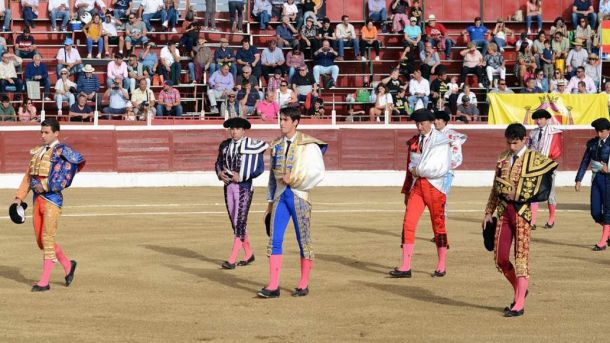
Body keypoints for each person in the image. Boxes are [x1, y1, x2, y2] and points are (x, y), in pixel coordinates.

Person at [483, 123, 558, 317]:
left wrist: (520, 194)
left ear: (524, 139)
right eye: (509, 143)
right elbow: (495, 187)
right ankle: (520, 290)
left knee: (521, 258)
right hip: (503, 212)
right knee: (500, 258)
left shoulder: (535, 159)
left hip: (522, 213)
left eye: (515, 143)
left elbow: (544, 185)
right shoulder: (502, 157)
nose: (512, 147)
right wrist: (488, 212)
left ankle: (519, 304)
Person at [258, 107, 327, 298]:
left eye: (286, 120)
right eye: (281, 119)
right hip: (280, 196)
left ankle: (303, 284)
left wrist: (294, 178)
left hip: (299, 196)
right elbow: (272, 177)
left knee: (303, 240)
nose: (282, 123)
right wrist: (269, 204)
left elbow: (318, 172)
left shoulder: (309, 144)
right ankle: (273, 286)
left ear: (296, 122)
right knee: (274, 240)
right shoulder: (277, 144)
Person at [14, 118, 85, 292]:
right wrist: (18, 198)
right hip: (36, 200)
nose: (43, 136)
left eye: (46, 132)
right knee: (41, 241)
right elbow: (28, 177)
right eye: (41, 132)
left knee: (47, 238)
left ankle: (44, 282)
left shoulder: (63, 151)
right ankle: (68, 265)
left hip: (52, 199)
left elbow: (66, 176)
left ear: (56, 133)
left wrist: (45, 186)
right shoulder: (38, 152)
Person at [390, 109, 451, 279]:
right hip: (417, 186)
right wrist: (406, 190)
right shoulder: (415, 141)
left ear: (431, 122)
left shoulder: (441, 141)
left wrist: (418, 170)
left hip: (435, 187)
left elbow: (438, 168)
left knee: (438, 225)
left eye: (422, 123)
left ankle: (441, 265)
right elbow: (409, 168)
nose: (419, 127)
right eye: (417, 124)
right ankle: (406, 266)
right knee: (408, 223)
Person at [215, 117, 268, 269]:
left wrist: (243, 176)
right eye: (232, 128)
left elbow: (258, 168)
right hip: (228, 186)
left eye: (237, 129)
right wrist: (220, 174)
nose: (234, 131)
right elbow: (218, 163)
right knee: (235, 222)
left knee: (240, 222)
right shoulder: (225, 145)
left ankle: (231, 259)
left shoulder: (251, 146)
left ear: (243, 130)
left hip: (244, 187)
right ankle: (248, 254)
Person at [576, 118, 610, 250]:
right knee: (595, 212)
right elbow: (585, 161)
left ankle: (603, 241)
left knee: (608, 211)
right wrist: (579, 179)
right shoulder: (593, 143)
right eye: (598, 131)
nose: (599, 134)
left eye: (602, 131)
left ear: (608, 130)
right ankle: (608, 232)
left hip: (608, 179)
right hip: (597, 179)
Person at [526, 109, 562, 230]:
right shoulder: (533, 133)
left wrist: (549, 165)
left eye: (541, 119)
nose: (538, 121)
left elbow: (556, 150)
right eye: (537, 119)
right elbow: (529, 148)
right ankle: (533, 221)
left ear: (546, 119)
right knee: (533, 193)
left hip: (548, 166)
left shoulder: (554, 132)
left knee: (550, 194)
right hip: (535, 167)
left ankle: (551, 219)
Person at [433, 110, 467, 216]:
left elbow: (456, 153)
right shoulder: (433, 134)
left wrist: (448, 165)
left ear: (445, 122)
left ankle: (441, 216)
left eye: (438, 119)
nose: (435, 122)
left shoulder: (452, 136)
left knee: (442, 194)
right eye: (435, 119)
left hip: (445, 171)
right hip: (433, 170)